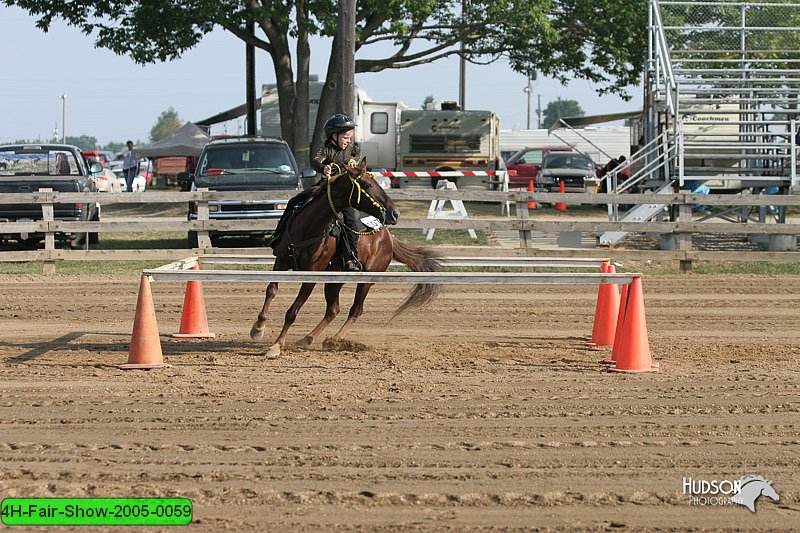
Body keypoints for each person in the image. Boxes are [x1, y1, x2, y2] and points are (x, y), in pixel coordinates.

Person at [269, 113, 362, 272]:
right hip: (324, 186)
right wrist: (323, 167)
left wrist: (355, 161)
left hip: (341, 193)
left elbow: (357, 154)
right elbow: (317, 160)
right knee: (294, 202)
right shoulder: (325, 149)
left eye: (349, 138)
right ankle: (278, 238)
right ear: (334, 136)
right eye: (345, 137)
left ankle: (350, 257)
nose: (348, 141)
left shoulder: (351, 148)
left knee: (351, 220)